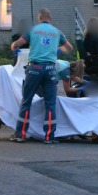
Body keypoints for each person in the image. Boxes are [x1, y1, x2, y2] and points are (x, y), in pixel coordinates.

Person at [11, 8, 73, 143]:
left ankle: (20, 134)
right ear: (50, 18)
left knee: (26, 101)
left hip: (34, 68)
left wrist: (14, 47)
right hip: (50, 69)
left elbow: (16, 44)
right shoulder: (57, 32)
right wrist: (57, 49)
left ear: (39, 18)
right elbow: (69, 48)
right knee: (50, 104)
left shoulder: (32, 30)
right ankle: (49, 137)